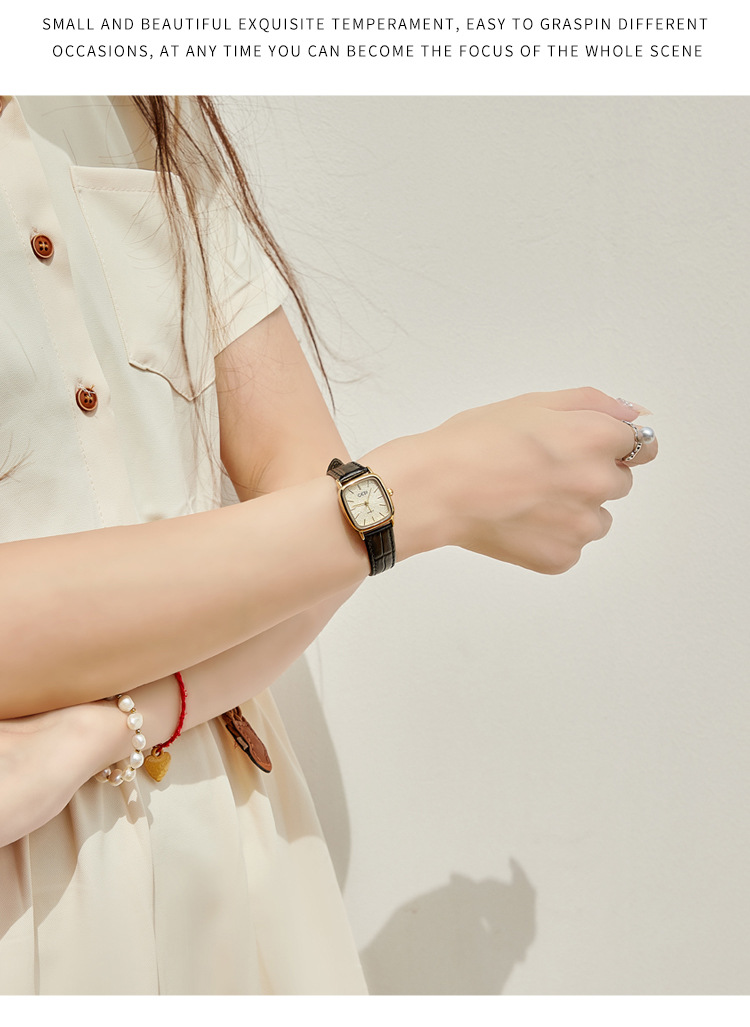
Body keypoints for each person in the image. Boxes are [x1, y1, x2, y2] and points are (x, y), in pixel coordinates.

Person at [0, 95, 657, 995]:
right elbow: (323, 527)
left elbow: (305, 517)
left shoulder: (134, 94)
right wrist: (427, 486)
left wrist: (107, 727)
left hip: (241, 855)